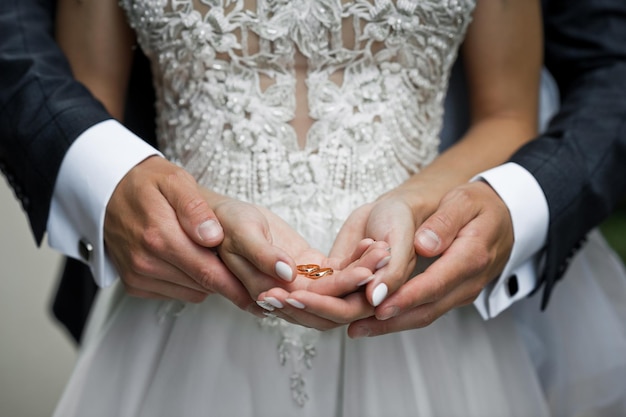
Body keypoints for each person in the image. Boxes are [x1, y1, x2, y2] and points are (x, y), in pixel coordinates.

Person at [47, 0, 626, 416]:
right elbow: (92, 114)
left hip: (412, 293)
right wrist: (203, 211)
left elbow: (507, 113)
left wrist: (415, 203)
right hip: (193, 283)